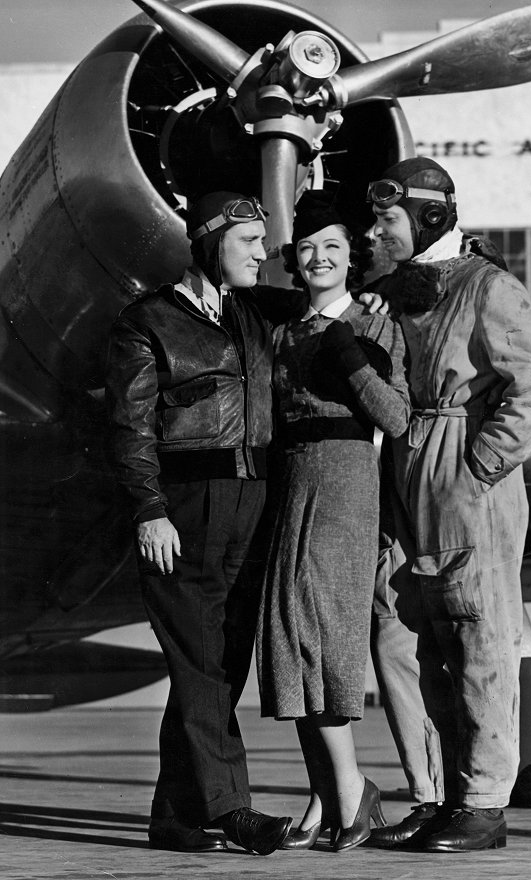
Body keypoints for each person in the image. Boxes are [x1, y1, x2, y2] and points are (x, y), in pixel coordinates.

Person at [365, 158, 531, 852]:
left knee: (479, 638)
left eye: (387, 219)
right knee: (408, 639)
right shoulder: (392, 292)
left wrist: (474, 468)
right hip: (401, 469)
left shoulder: (488, 288)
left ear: (426, 218)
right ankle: (436, 795)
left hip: (463, 475)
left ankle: (482, 804)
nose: (376, 231)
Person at [105, 191, 293, 855]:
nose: (260, 254)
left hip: (255, 500)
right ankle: (230, 810)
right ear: (212, 241)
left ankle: (173, 816)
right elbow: (129, 425)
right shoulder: (146, 321)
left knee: (216, 668)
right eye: (248, 242)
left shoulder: (254, 315)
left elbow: (329, 310)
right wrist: (150, 509)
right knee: (200, 665)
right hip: (184, 507)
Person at [256, 191, 411, 853]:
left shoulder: (373, 325)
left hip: (346, 480)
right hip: (290, 480)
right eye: (308, 248)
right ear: (294, 260)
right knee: (290, 632)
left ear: (351, 260)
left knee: (322, 634)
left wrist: (347, 354)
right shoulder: (284, 330)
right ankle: (326, 793)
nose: (318, 257)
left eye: (333, 248)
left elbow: (395, 417)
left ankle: (352, 794)